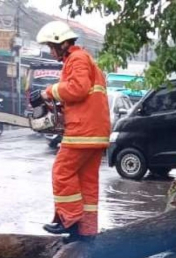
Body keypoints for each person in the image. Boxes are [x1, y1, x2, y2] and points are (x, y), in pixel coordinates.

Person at [31, 21, 111, 242]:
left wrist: (47, 93)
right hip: (95, 132)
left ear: (60, 43)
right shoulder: (85, 60)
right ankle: (86, 231)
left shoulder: (76, 58)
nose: (50, 51)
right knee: (86, 181)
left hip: (83, 132)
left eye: (50, 46)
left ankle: (70, 220)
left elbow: (77, 88)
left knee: (62, 172)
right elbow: (80, 96)